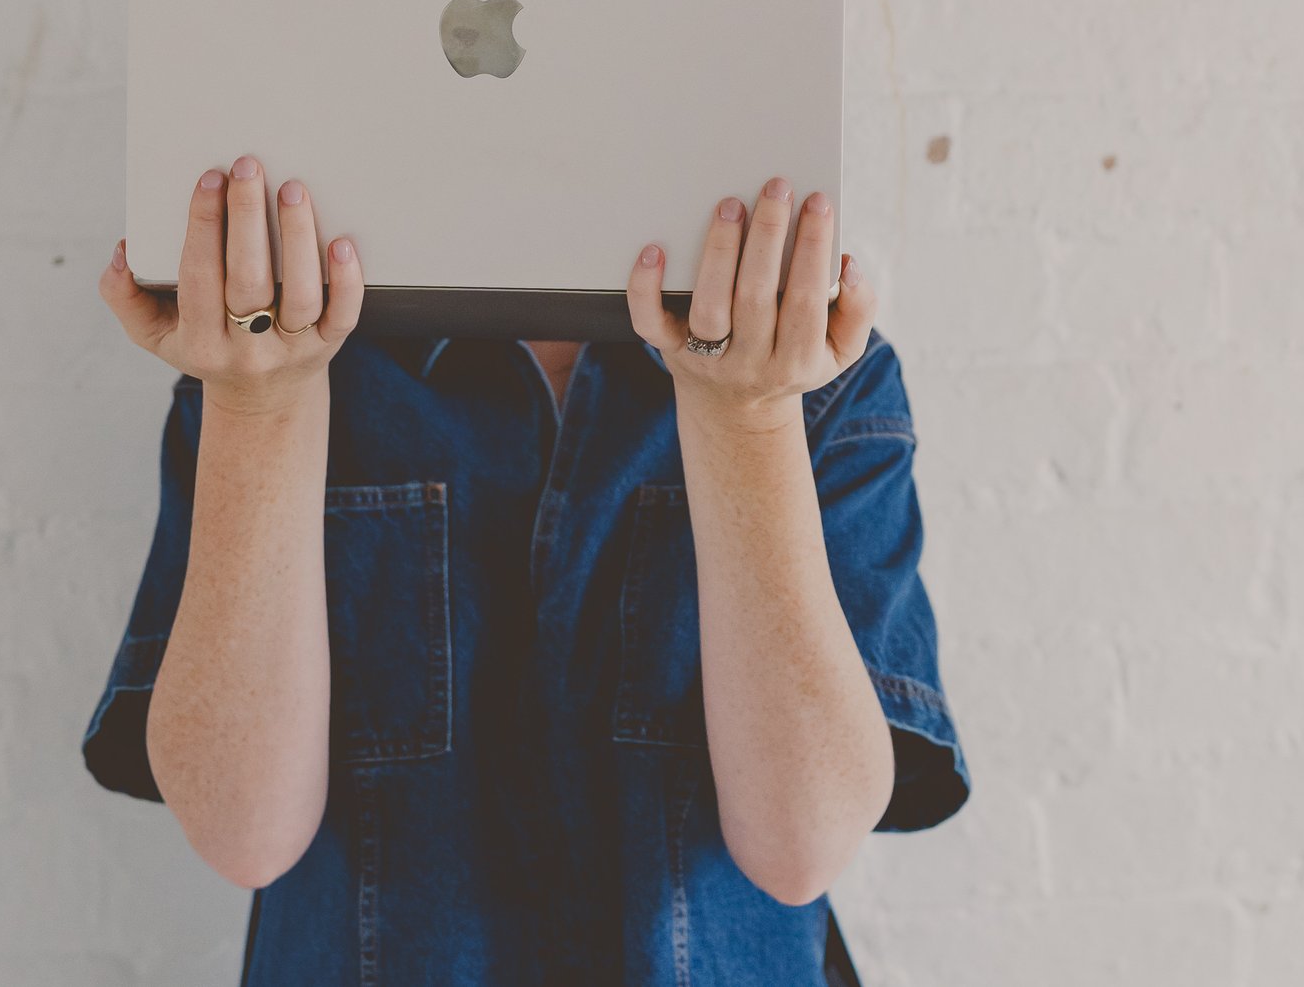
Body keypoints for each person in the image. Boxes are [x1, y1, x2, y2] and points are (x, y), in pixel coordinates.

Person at [88, 155, 968, 985]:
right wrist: (257, 402)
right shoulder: (260, 353)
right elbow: (244, 832)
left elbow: (802, 846)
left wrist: (750, 417)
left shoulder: (825, 377)